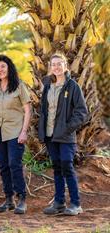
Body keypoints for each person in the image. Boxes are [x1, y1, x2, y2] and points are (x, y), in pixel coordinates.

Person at [38, 53, 88, 216]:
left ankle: (75, 204)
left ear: (65, 66)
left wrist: (67, 127)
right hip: (50, 134)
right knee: (57, 168)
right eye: (53, 64)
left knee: (67, 165)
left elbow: (81, 111)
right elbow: (45, 109)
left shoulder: (72, 86)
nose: (57, 67)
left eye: (60, 64)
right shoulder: (47, 85)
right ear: (50, 67)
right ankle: (59, 203)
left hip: (65, 135)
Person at [0, 55, 31, 214]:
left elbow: (27, 110)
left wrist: (24, 131)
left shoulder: (19, 86)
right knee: (3, 166)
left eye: (3, 67)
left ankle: (22, 199)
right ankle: (8, 199)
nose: (0, 70)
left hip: (15, 131)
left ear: (9, 68)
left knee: (14, 164)